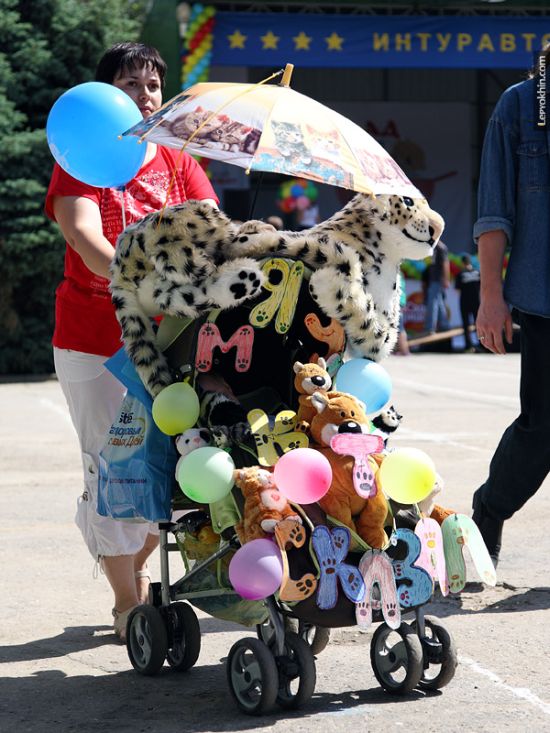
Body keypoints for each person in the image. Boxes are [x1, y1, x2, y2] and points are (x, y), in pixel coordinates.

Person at [45, 42, 218, 640]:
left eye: (152, 84)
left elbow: (209, 226)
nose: (144, 95)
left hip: (170, 338)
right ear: (104, 96)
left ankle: (124, 559)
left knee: (168, 470)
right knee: (113, 468)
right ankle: (126, 601)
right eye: (130, 83)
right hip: (94, 341)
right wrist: (135, 282)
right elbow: (82, 232)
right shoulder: (82, 154)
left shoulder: (175, 156)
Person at [471, 46, 550, 568]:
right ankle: (489, 512)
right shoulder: (521, 105)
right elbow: (495, 208)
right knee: (541, 428)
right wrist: (491, 298)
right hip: (543, 298)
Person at [423, 240, 451, 334]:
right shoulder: (434, 247)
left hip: (437, 279)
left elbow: (446, 264)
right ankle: (444, 325)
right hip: (434, 279)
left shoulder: (441, 247)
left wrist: (446, 279)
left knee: (432, 303)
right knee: (439, 302)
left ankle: (430, 328)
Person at [455, 254, 480, 351]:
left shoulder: (460, 274)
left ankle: (468, 345)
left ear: (462, 263)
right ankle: (481, 344)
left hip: (464, 301)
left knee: (466, 325)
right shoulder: (477, 273)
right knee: (478, 324)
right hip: (476, 301)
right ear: (470, 262)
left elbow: (457, 290)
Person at [396, 270, 410, 355]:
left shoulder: (398, 274)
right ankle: (401, 350)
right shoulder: (400, 273)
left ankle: (405, 350)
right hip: (400, 302)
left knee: (400, 328)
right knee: (398, 328)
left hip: (398, 303)